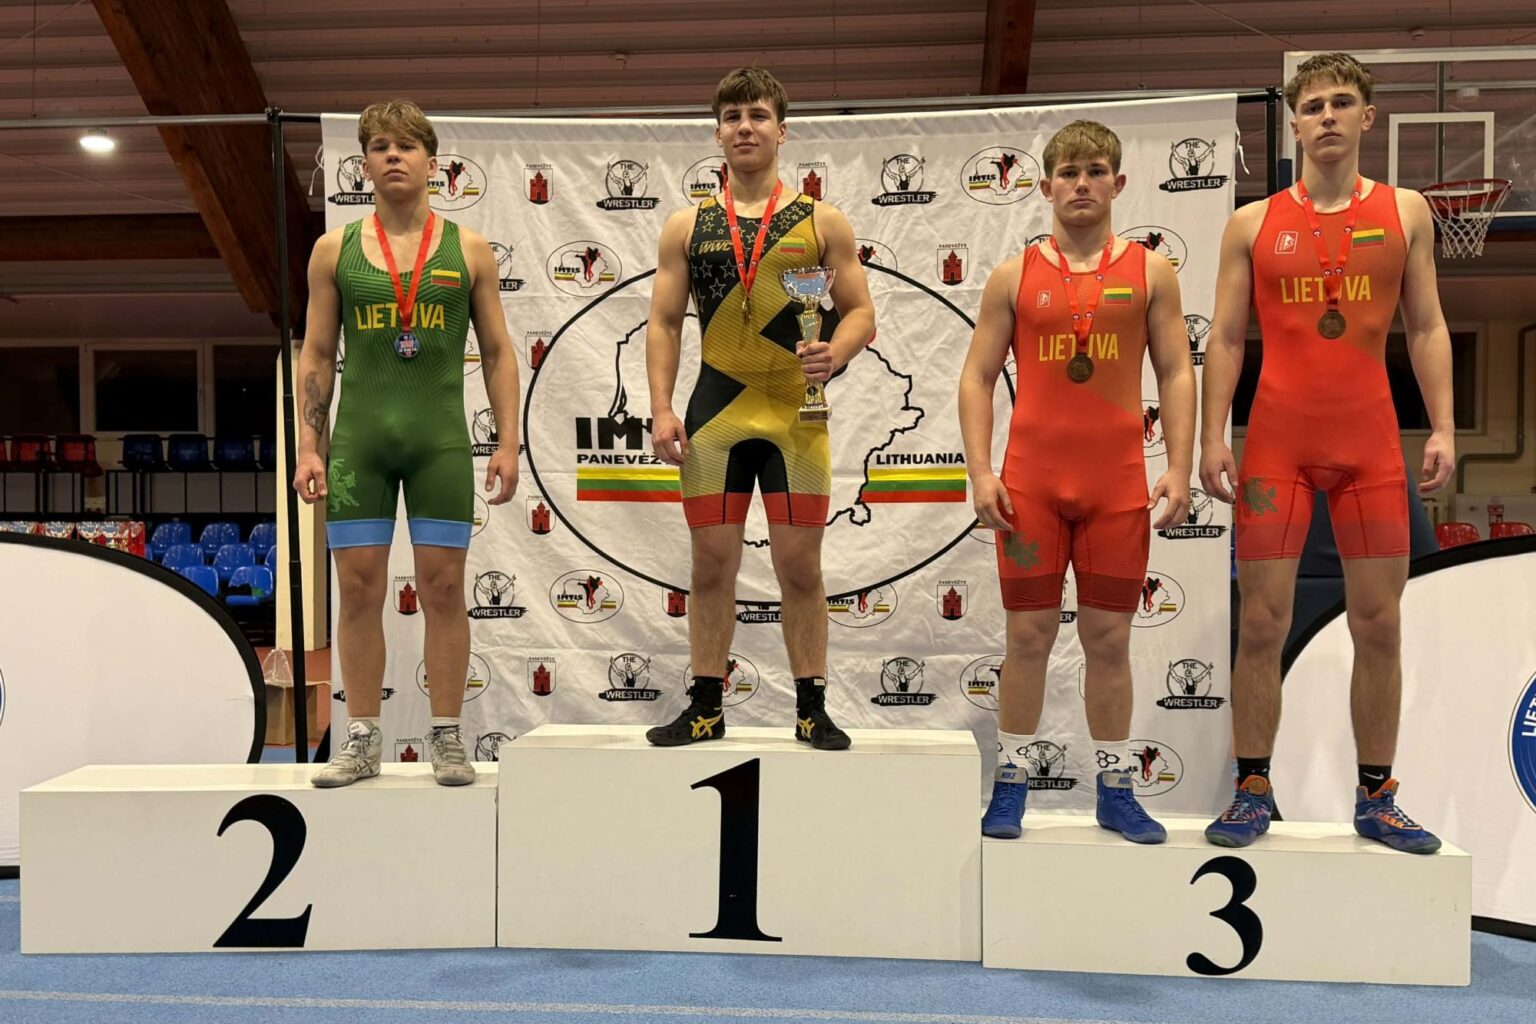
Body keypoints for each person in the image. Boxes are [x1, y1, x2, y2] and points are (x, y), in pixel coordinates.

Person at [1199, 53, 1454, 852]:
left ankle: (1376, 796)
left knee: (1379, 625)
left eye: (1342, 102)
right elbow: (1226, 340)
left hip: (1370, 448)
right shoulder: (1252, 224)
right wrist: (1211, 435)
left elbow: (1427, 325)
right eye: (1313, 106)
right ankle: (1251, 788)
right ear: (1295, 124)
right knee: (1260, 623)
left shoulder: (1406, 212)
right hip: (1277, 448)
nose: (1328, 117)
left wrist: (1444, 426)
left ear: (1368, 117)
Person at [958, 120, 1195, 842]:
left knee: (1109, 641)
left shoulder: (1151, 272)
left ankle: (1116, 791)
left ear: (1118, 183)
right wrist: (981, 471)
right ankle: (1011, 785)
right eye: (1068, 172)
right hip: (1030, 487)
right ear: (1045, 186)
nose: (1081, 184)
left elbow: (1176, 371)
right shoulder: (1014, 275)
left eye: (1095, 171)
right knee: (1027, 637)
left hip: (1115, 488)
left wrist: (1178, 466)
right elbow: (976, 377)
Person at [644, 67, 876, 749]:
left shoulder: (822, 221)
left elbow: (861, 313)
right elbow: (664, 322)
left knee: (800, 567)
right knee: (711, 566)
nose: (745, 127)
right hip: (715, 415)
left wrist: (835, 352)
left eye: (758, 115)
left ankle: (811, 708)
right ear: (717, 132)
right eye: (732, 117)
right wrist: (660, 407)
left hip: (794, 417)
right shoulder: (687, 225)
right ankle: (706, 707)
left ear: (782, 130)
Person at [293, 99, 520, 787]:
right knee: (357, 589)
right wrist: (309, 445)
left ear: (433, 163)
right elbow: (317, 353)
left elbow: (499, 352)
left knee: (444, 588)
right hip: (358, 445)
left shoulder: (468, 250)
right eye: (380, 147)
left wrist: (508, 441)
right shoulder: (333, 250)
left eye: (407, 146)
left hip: (439, 445)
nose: (393, 155)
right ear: (364, 165)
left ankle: (447, 736)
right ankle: (361, 738)